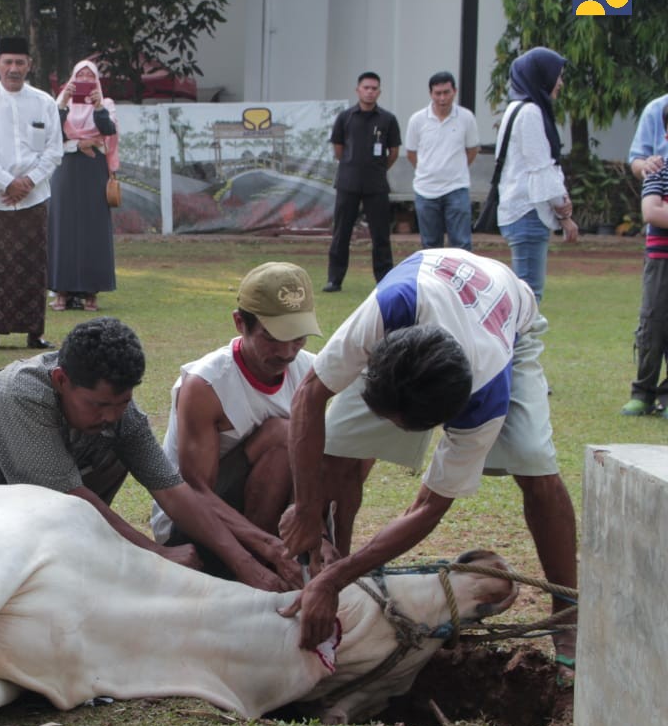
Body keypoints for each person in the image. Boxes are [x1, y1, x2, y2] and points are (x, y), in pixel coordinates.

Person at [278, 248, 578, 671]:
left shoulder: (486, 395)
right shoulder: (387, 310)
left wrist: (333, 579)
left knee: (533, 463)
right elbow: (309, 395)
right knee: (340, 448)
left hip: (509, 321)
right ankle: (338, 579)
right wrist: (307, 509)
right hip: (424, 300)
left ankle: (568, 614)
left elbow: (428, 507)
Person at [0, 317, 303, 589]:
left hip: (15, 505)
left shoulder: (118, 412)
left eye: (121, 403)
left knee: (114, 447)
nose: (112, 415)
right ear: (62, 380)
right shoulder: (19, 397)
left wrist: (249, 561)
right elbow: (69, 500)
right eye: (98, 405)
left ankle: (85, 555)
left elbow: (171, 488)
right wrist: (156, 554)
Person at [152, 262, 321, 552]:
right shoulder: (206, 385)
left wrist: (318, 532)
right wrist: (267, 551)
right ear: (240, 323)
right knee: (281, 434)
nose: (286, 352)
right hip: (190, 524)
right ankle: (260, 560)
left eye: (297, 337)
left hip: (258, 510)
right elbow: (196, 492)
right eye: (272, 338)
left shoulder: (311, 369)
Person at [0, 36, 63, 350]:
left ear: (29, 65)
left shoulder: (44, 102)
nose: (13, 68)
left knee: (34, 264)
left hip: (34, 198)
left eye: (20, 62)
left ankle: (35, 333)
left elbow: (54, 151)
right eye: (7, 62)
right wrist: (7, 182)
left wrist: (29, 182)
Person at [495, 46, 579, 302]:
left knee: (524, 295)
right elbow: (541, 168)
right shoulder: (530, 112)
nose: (560, 83)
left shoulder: (515, 108)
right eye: (557, 76)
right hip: (528, 211)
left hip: (518, 210)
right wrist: (563, 212)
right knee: (529, 298)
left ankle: (517, 343)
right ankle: (517, 344)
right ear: (541, 76)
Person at [48, 59, 119, 313]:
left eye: (91, 76)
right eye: (81, 76)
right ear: (72, 79)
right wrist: (64, 103)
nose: (85, 80)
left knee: (93, 229)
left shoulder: (107, 103)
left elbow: (107, 131)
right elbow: (52, 132)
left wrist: (98, 106)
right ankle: (61, 291)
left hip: (93, 171)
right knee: (61, 227)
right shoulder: (58, 102)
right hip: (65, 168)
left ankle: (91, 292)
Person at [325, 71, 401, 293]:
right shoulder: (345, 117)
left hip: (376, 185)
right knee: (341, 233)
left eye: (374, 88)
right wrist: (351, 165)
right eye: (366, 87)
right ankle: (334, 279)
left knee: (380, 235)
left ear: (379, 91)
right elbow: (338, 148)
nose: (370, 92)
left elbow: (394, 151)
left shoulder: (387, 119)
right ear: (358, 90)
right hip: (347, 183)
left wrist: (377, 168)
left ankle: (385, 279)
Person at [622, 107, 668, 417]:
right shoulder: (660, 171)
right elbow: (651, 213)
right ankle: (643, 391)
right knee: (653, 321)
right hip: (661, 258)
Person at [404, 71, 479, 251]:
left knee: (461, 244)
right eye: (438, 93)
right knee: (430, 246)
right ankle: (433, 280)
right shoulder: (417, 119)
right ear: (431, 94)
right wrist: (428, 169)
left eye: (446, 92)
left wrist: (456, 169)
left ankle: (461, 279)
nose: (442, 98)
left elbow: (472, 150)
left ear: (455, 91)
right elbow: (411, 153)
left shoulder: (466, 117)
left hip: (456, 189)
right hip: (426, 190)